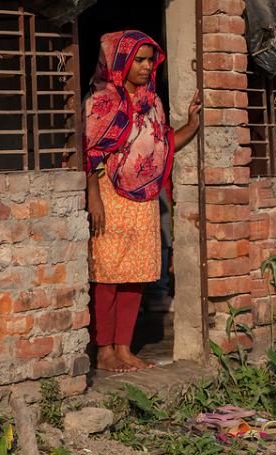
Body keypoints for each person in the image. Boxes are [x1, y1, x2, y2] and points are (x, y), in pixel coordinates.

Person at [84, 30, 200, 372]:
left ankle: (124, 348)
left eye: (151, 59)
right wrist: (93, 196)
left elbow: (163, 144)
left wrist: (191, 126)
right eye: (139, 59)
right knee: (106, 274)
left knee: (135, 274)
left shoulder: (153, 103)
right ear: (120, 61)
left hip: (144, 198)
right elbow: (89, 152)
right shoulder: (102, 100)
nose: (147, 66)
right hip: (109, 195)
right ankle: (103, 351)